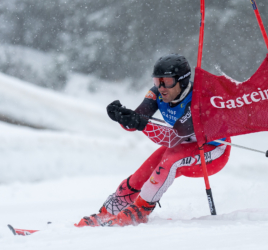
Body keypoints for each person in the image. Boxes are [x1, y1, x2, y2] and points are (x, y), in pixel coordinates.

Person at [75, 53, 231, 227]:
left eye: (167, 81)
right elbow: (137, 120)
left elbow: (172, 138)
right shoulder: (157, 93)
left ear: (183, 81)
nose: (162, 87)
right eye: (158, 81)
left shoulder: (198, 101)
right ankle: (106, 214)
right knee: (141, 174)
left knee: (170, 161)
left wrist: (140, 124)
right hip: (184, 145)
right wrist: (123, 118)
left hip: (213, 151)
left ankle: (140, 211)